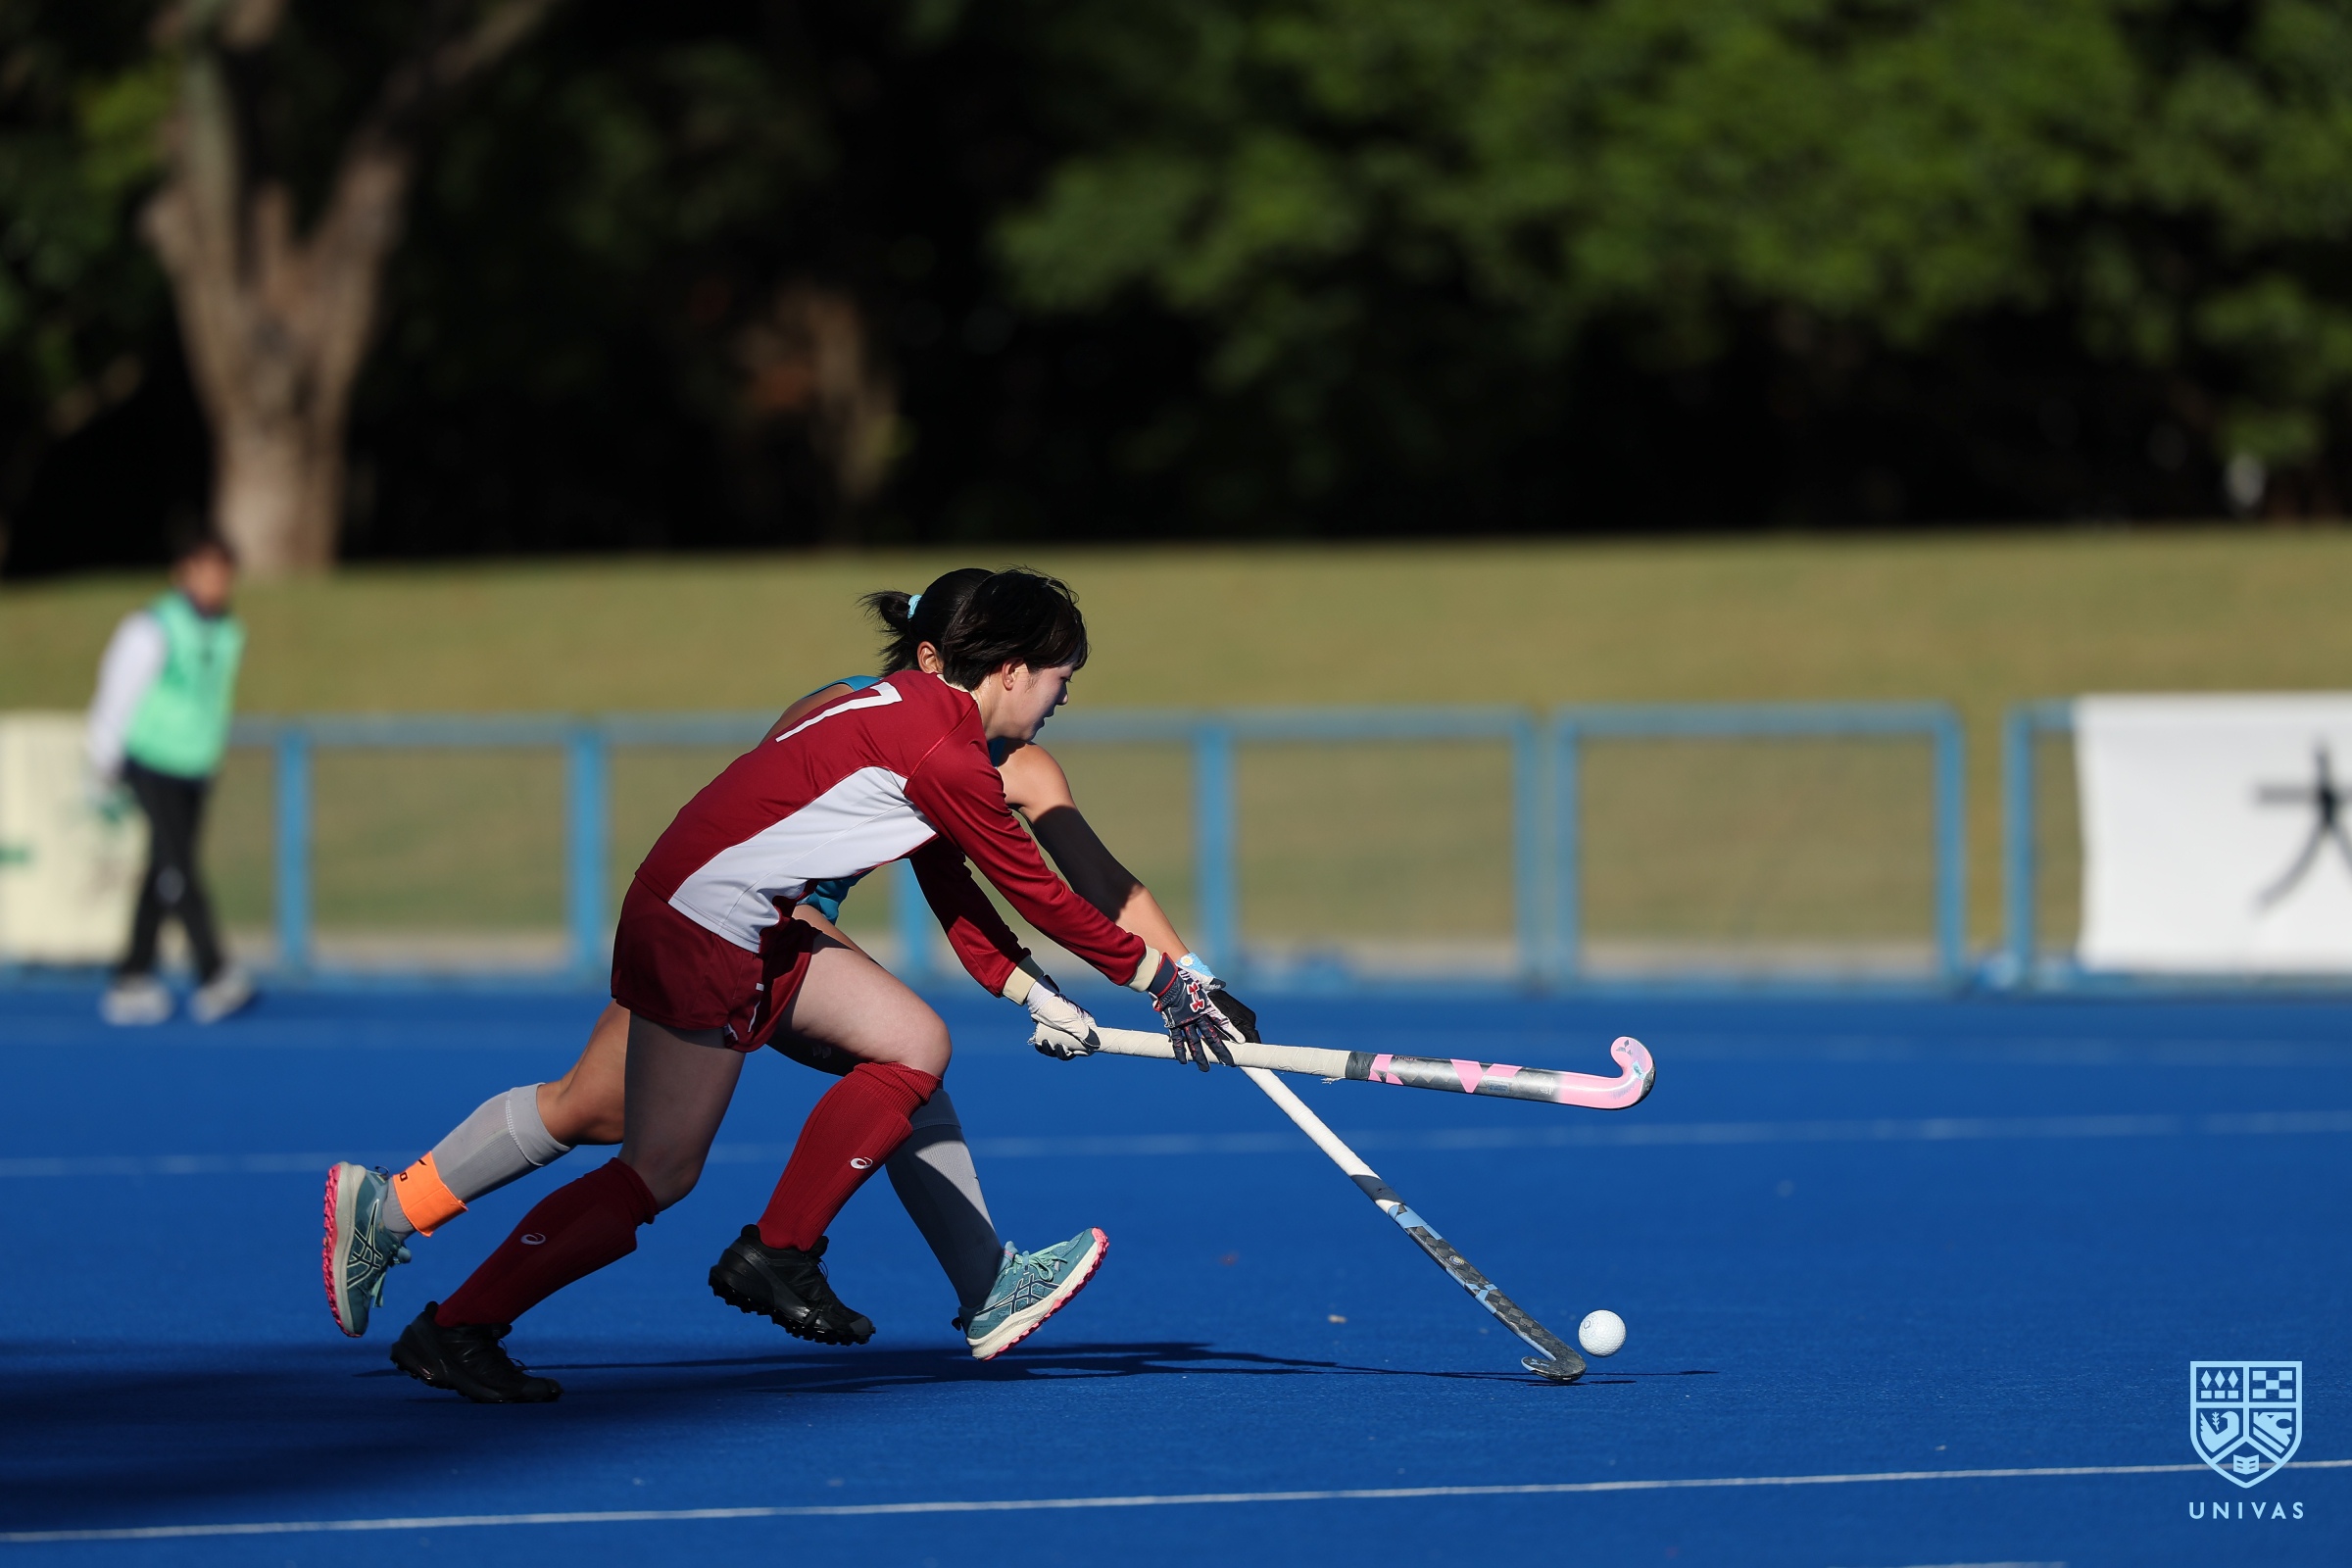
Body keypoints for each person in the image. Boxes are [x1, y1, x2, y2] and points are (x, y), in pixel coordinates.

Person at [325, 572, 1250, 1359]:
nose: (1061, 701)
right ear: (968, 660)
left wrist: (1052, 986)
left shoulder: (978, 748)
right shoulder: (929, 737)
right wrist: (1165, 984)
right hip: (740, 920)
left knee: (842, 1065)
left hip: (726, 913)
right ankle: (802, 1260)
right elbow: (1026, 887)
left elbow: (1021, 887)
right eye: (1058, 678)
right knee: (660, 1141)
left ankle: (396, 1213)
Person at [85, 532, 254, 1026]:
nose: (215, 583)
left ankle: (132, 976)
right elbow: (117, 689)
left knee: (164, 868)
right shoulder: (152, 627)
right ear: (184, 573)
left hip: (196, 764)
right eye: (206, 571)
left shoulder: (228, 630)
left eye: (223, 573)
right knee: (180, 868)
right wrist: (102, 759)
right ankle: (213, 972)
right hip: (151, 759)